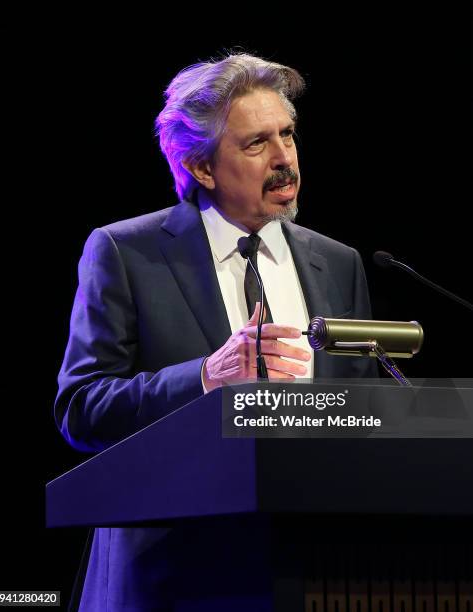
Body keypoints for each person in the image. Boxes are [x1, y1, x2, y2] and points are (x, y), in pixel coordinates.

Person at [56, 53, 376, 611]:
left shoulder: (339, 262)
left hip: (311, 574)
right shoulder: (126, 253)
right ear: (202, 168)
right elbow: (81, 407)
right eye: (257, 144)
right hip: (173, 578)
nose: (285, 159)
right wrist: (205, 377)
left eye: (289, 135)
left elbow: (368, 415)